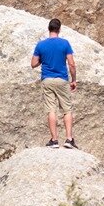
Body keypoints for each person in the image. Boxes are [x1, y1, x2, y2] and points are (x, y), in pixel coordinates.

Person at [30, 17, 77, 148]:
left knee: (51, 110)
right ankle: (69, 139)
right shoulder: (65, 43)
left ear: (49, 29)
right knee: (67, 109)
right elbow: (71, 64)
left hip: (47, 79)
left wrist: (43, 60)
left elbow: (33, 64)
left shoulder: (41, 45)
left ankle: (54, 140)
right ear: (59, 29)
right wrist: (73, 80)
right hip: (62, 79)